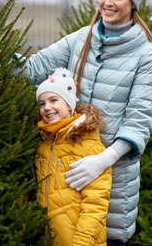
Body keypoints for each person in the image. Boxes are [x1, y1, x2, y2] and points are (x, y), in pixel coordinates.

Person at [21, 0, 152, 245]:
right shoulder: (80, 39)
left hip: (113, 181)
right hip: (67, 176)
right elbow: (32, 68)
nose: (108, 2)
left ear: (133, 3)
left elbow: (139, 121)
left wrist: (103, 160)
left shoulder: (146, 56)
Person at [35, 68, 111, 246]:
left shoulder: (87, 143)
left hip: (80, 241)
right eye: (41, 103)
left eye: (54, 100)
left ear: (69, 104)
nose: (47, 107)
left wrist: (81, 242)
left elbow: (96, 203)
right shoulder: (43, 144)